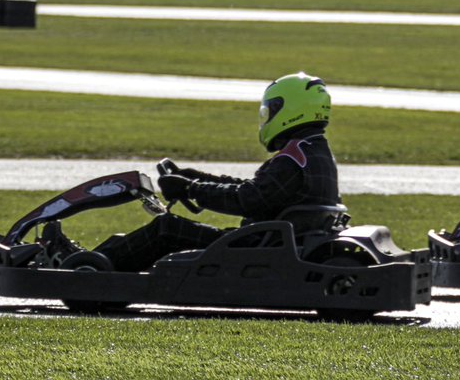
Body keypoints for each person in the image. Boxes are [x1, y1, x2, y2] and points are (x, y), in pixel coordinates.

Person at [40, 73, 340, 272]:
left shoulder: (292, 158)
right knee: (166, 230)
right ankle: (92, 260)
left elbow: (247, 200)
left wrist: (191, 189)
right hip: (267, 243)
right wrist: (195, 177)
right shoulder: (313, 152)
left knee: (166, 229)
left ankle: (83, 269)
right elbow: (256, 190)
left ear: (288, 110)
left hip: (255, 249)